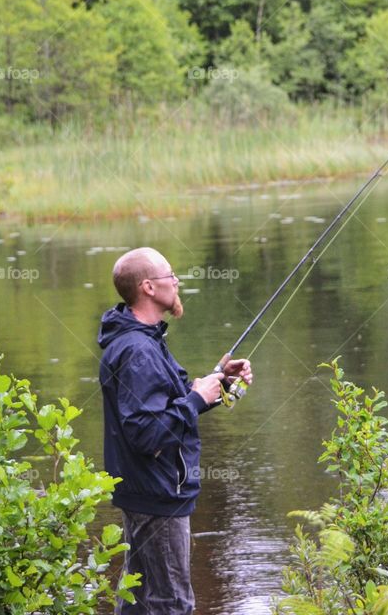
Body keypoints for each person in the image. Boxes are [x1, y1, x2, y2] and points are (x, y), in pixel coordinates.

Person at [98, 247, 253, 614]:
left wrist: (223, 388)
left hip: (145, 490)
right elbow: (146, 433)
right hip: (158, 493)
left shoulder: (143, 341)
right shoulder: (138, 351)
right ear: (149, 287)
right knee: (172, 603)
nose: (177, 281)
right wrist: (196, 398)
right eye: (170, 275)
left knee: (136, 597)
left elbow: (169, 409)